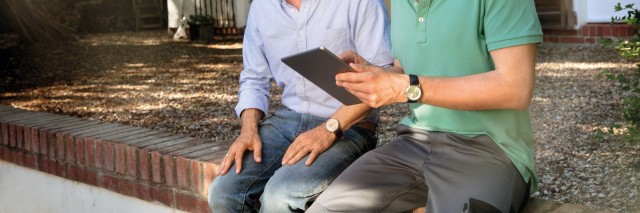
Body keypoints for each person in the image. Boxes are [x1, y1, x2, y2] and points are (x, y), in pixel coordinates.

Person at [307, 0, 543, 212]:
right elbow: (405, 68)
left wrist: (405, 87)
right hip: (413, 142)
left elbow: (516, 88)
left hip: (491, 150)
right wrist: (377, 75)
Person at [207, 0, 393, 212]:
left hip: (349, 126)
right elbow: (254, 78)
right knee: (223, 193)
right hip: (288, 120)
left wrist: (328, 129)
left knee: (279, 196)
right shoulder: (261, 6)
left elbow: (383, 80)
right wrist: (248, 131)